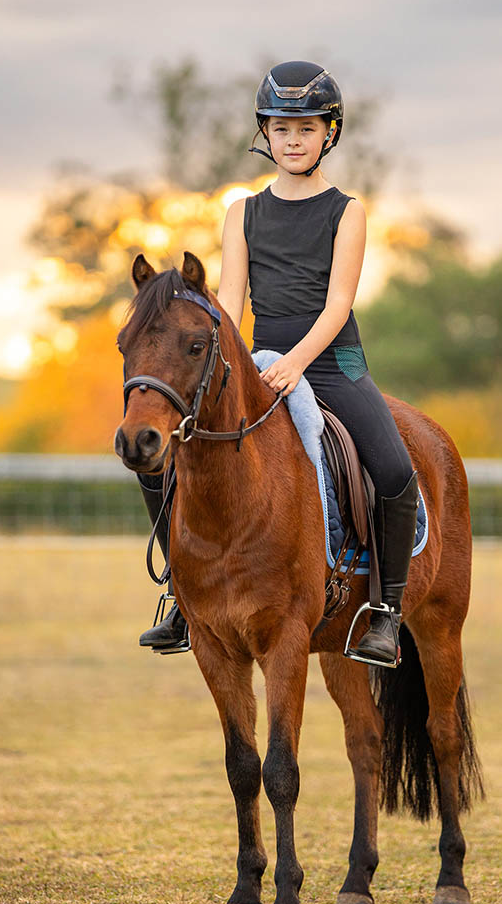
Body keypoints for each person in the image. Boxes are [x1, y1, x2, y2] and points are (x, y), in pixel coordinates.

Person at [138, 59, 418, 666]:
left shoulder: (347, 211)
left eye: (307, 128)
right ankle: (183, 598)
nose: (293, 140)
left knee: (395, 470)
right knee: (168, 456)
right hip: (260, 360)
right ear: (265, 134)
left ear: (330, 134)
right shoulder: (241, 212)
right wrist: (224, 367)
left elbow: (339, 302)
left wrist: (296, 363)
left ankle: (386, 614)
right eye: (282, 129)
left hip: (332, 361)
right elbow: (229, 303)